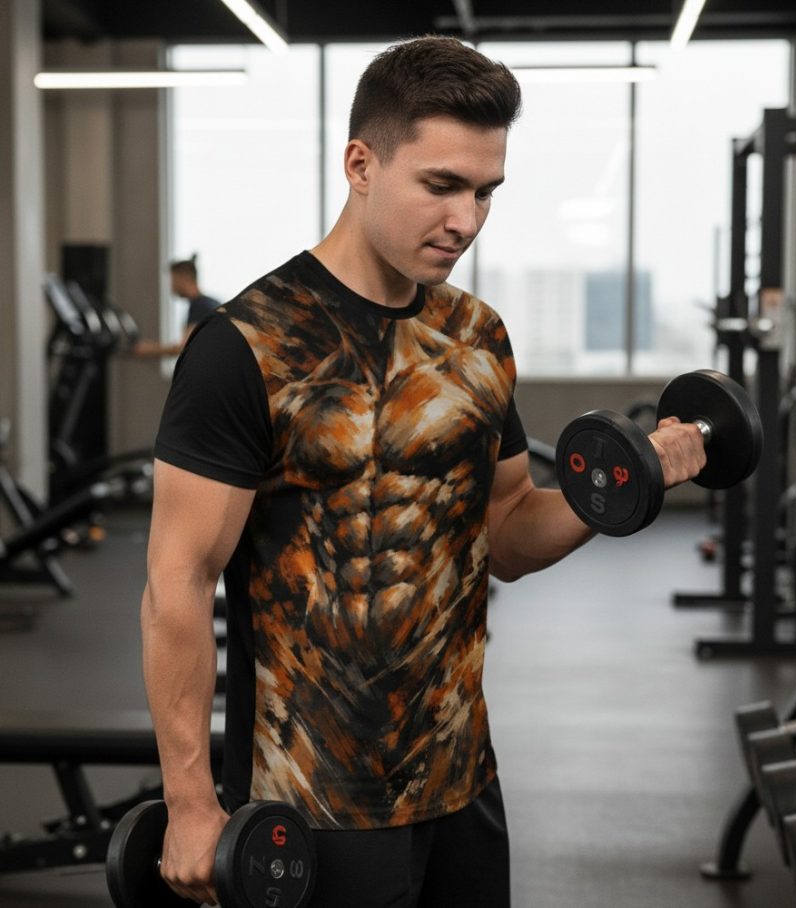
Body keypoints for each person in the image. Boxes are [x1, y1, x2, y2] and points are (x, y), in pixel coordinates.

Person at [142, 36, 706, 908]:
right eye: (441, 185)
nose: (466, 221)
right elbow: (177, 582)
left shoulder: (476, 336)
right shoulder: (246, 346)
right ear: (360, 165)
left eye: (486, 192)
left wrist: (625, 486)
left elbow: (508, 530)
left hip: (461, 777)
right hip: (313, 799)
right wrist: (188, 803)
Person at [131, 256, 220, 357]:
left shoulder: (200, 307)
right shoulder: (211, 303)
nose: (171, 286)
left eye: (174, 279)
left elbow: (184, 347)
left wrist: (149, 349)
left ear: (184, 278)